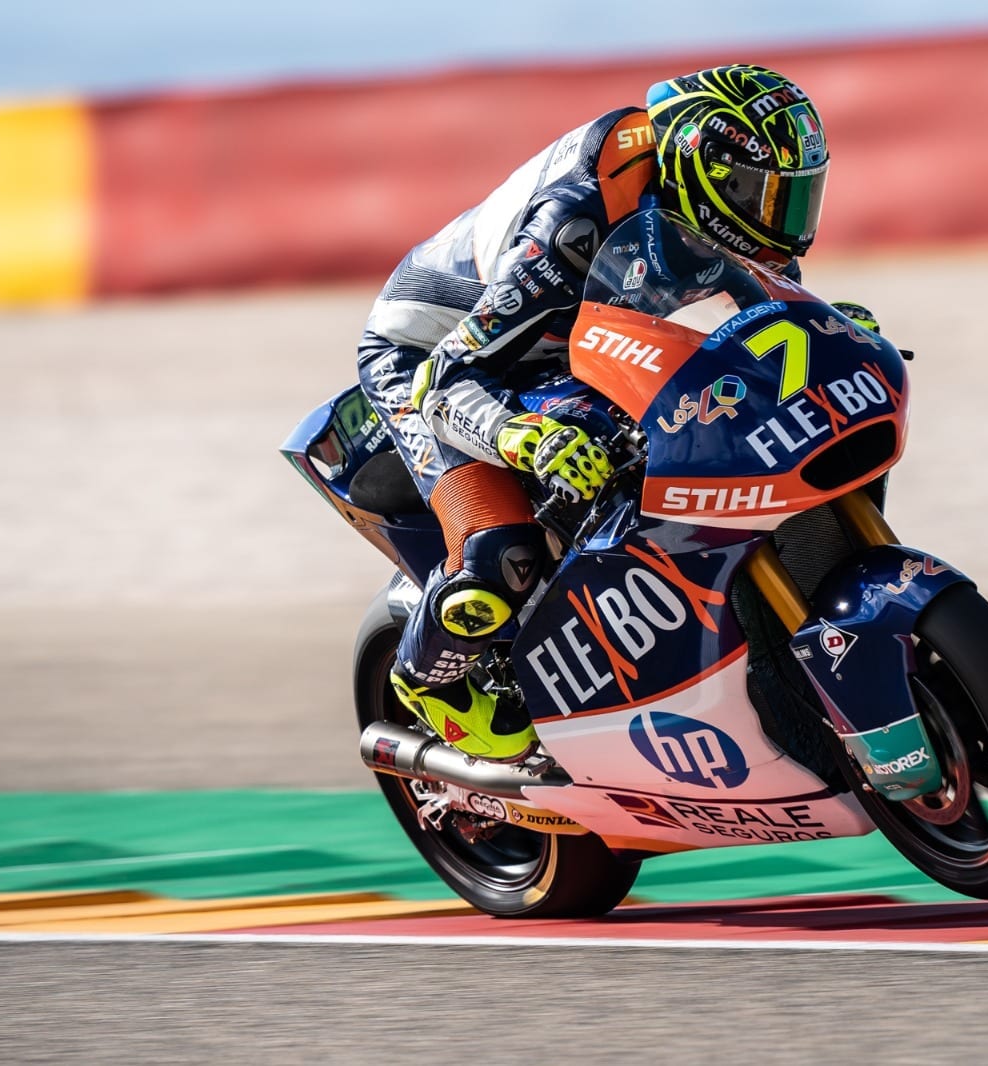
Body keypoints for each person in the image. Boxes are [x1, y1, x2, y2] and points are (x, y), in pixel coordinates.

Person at [355, 63, 879, 761]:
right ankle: (427, 678)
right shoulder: (573, 222)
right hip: (430, 358)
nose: (785, 223)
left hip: (563, 337)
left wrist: (822, 330)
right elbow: (448, 382)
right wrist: (524, 437)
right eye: (764, 195)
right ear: (704, 171)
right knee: (499, 553)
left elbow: (751, 317)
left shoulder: (703, 210)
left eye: (797, 197)